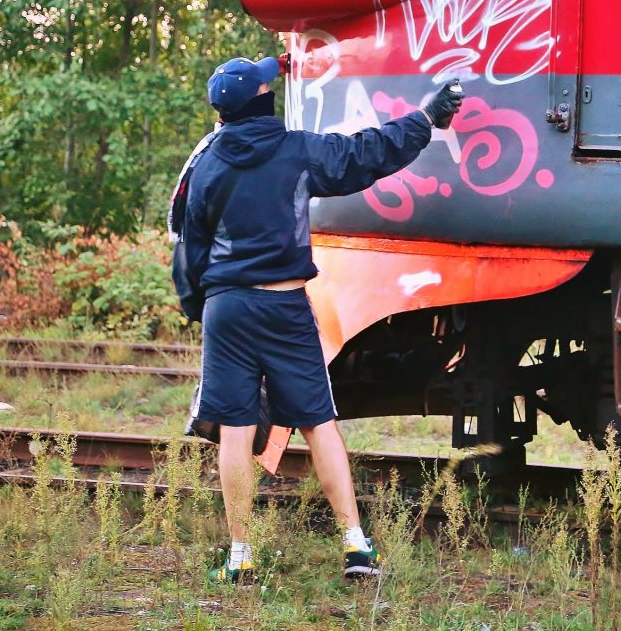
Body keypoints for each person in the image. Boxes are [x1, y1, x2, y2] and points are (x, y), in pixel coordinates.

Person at [171, 54, 463, 582]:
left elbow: (190, 249)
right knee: (317, 423)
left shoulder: (206, 163)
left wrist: (200, 308)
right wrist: (425, 120)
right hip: (284, 307)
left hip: (227, 310)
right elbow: (366, 155)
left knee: (236, 431)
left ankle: (240, 555)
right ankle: (355, 546)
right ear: (265, 100)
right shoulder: (296, 152)